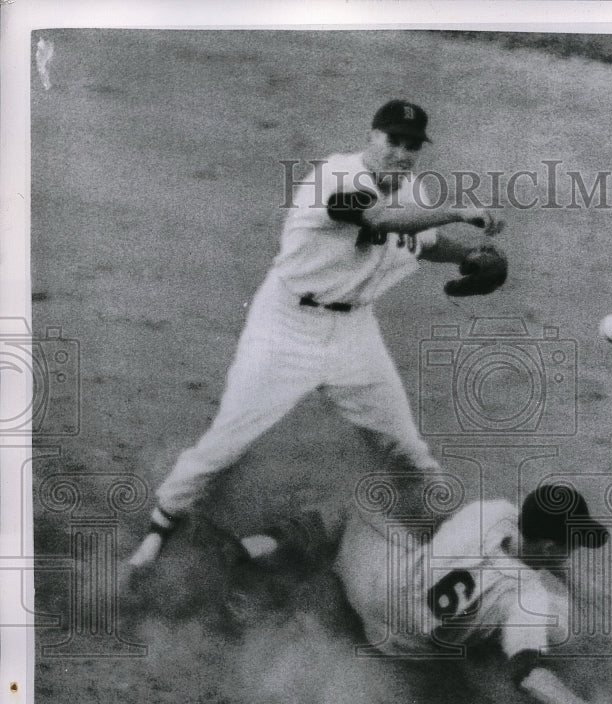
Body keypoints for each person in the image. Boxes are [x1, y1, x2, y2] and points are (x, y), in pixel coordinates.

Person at [129, 99, 503, 567]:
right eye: (393, 140)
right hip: (285, 328)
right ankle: (157, 535)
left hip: (354, 335)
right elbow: (380, 219)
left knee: (406, 448)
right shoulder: (336, 177)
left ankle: (450, 544)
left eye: (412, 145)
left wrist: (467, 257)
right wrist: (459, 211)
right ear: (371, 136)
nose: (402, 153)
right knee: (228, 440)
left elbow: (422, 241)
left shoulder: (413, 192)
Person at [324, 481, 612, 704]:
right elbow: (532, 679)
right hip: (403, 649)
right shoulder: (528, 598)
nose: (575, 550)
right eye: (571, 544)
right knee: (558, 626)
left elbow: (525, 546)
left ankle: (280, 542)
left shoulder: (491, 512)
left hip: (371, 582)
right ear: (549, 548)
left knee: (352, 512)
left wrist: (579, 583)